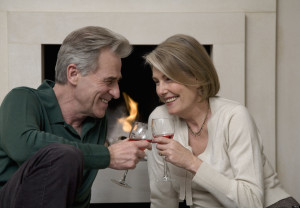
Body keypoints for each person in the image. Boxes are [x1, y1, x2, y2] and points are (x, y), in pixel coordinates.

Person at [0, 26, 152, 208]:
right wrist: (107, 156)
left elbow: (79, 196)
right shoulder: (23, 99)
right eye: (109, 81)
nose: (116, 93)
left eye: (117, 82)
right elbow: (23, 147)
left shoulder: (97, 120)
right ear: (73, 74)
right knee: (65, 155)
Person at [144, 34, 299, 208]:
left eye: (168, 79)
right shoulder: (160, 120)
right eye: (157, 82)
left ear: (196, 77)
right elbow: (162, 198)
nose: (161, 90)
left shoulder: (234, 117)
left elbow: (252, 202)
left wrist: (192, 162)